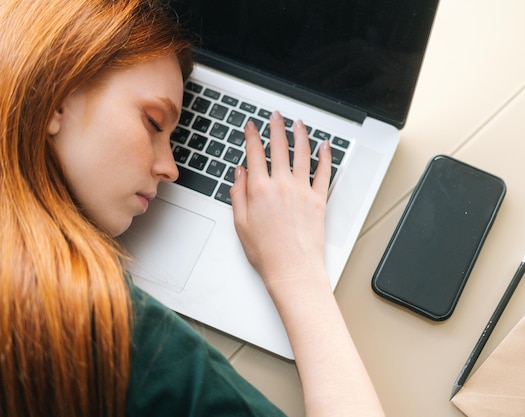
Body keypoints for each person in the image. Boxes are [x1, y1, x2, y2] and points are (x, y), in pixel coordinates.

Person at [0, 0, 386, 416]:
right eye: (152, 122)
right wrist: (297, 271)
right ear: (57, 97)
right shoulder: (103, 329)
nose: (170, 169)